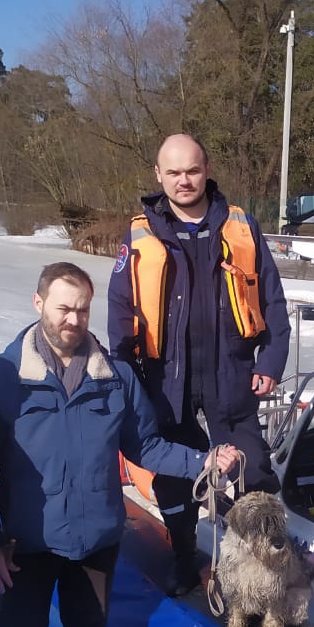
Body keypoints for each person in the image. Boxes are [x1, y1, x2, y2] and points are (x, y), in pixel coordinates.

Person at [0, 261, 236, 627]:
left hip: (96, 538)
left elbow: (146, 446)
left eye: (83, 309)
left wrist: (204, 461)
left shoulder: (116, 377)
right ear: (38, 303)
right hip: (25, 542)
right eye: (63, 307)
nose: (73, 319)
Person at [108, 133, 291, 596]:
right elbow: (120, 310)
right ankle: (184, 557)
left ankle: (259, 567)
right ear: (158, 175)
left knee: (254, 471)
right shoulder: (141, 234)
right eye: (173, 172)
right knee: (175, 476)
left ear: (206, 170)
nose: (183, 180)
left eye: (192, 170)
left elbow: (272, 300)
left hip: (232, 373)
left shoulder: (240, 226)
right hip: (167, 380)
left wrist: (271, 360)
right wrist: (126, 377)